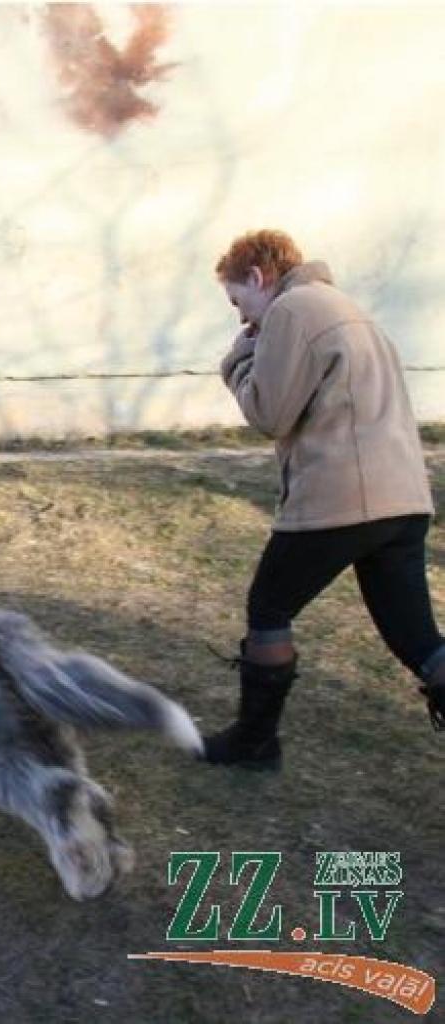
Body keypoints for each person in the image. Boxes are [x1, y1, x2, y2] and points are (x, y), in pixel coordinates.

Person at [203, 229, 445, 769]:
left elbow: (269, 414)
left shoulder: (292, 309)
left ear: (258, 278)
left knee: (269, 607)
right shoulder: (351, 310)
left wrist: (238, 361)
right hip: (403, 500)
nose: (244, 321)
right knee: (418, 639)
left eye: (240, 304)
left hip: (340, 497)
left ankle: (253, 744)